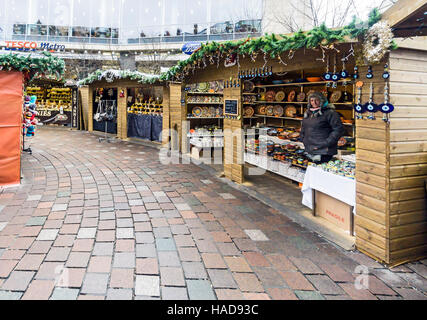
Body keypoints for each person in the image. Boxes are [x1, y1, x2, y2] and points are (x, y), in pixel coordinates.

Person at [300, 91, 345, 164]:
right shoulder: (308, 113)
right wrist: (302, 138)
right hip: (310, 148)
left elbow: (338, 130)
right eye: (311, 100)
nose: (314, 102)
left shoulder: (330, 113)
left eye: (316, 100)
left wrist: (326, 143)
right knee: (311, 171)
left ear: (322, 100)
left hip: (324, 150)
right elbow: (304, 126)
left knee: (321, 171)